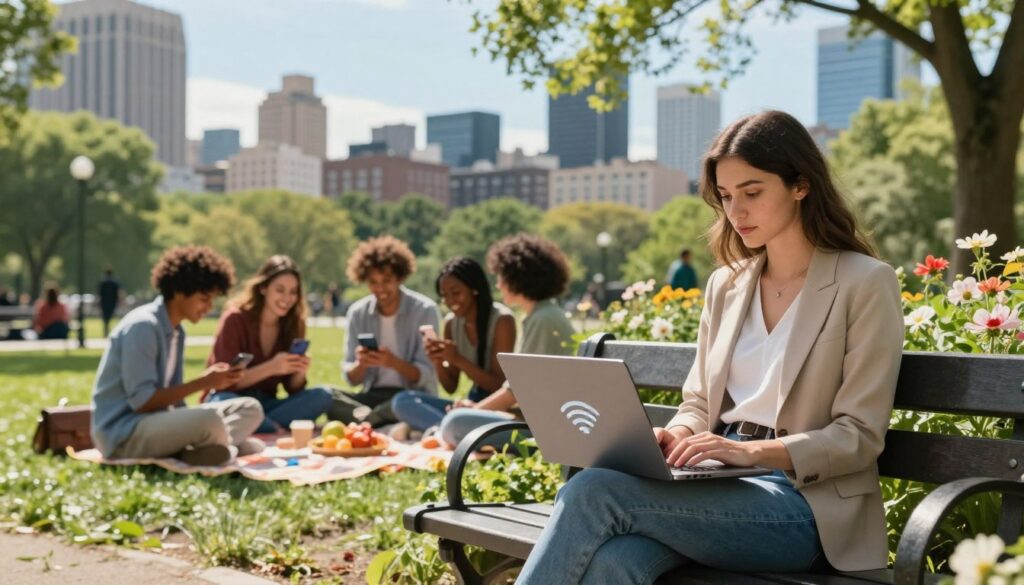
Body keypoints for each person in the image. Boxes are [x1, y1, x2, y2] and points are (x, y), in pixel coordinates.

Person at [515, 110, 904, 584]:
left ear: (801, 185)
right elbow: (698, 402)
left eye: (752, 193)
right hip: (715, 483)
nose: (736, 212)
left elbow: (859, 436)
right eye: (725, 196)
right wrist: (677, 434)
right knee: (616, 560)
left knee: (593, 491)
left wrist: (754, 454)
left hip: (805, 505)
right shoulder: (727, 284)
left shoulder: (864, 282)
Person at [91, 246, 264, 466]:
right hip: (123, 435)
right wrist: (204, 382)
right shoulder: (143, 327)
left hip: (154, 424)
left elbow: (174, 404)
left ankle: (206, 449)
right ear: (180, 291)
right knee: (209, 420)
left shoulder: (176, 331)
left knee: (250, 408)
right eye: (204, 298)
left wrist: (200, 400)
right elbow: (142, 402)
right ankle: (225, 448)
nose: (209, 307)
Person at [437, 234, 576, 448]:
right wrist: (478, 408)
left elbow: (517, 389)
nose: (498, 285)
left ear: (518, 278)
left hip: (547, 431)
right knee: (457, 419)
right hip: (538, 419)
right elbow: (527, 392)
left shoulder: (542, 319)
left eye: (501, 277)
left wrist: (475, 411)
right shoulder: (541, 315)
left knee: (454, 423)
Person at [203, 255, 333, 434]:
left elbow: (292, 389)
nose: (287, 298)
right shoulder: (235, 319)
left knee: (322, 396)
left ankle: (263, 425)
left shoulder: (295, 324)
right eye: (280, 290)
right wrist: (271, 368)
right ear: (264, 288)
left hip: (268, 405)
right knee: (222, 402)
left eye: (293, 292)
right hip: (232, 399)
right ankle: (269, 426)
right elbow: (224, 383)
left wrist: (299, 371)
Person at [390, 257, 517, 432]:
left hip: (499, 409)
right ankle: (449, 429)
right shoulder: (451, 323)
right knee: (402, 401)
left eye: (456, 292)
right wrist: (438, 359)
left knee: (457, 419)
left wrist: (457, 359)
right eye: (444, 296)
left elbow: (499, 385)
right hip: (471, 406)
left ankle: (447, 429)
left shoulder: (502, 320)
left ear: (474, 289)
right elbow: (450, 387)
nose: (450, 301)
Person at [330, 236, 439, 427]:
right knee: (326, 396)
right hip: (372, 396)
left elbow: (426, 375)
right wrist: (361, 364)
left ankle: (367, 420)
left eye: (386, 280)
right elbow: (351, 379)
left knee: (402, 404)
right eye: (373, 282)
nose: (380, 288)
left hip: (410, 396)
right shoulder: (357, 313)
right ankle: (380, 421)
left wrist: (393, 363)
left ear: (399, 277)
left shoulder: (424, 310)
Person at [98, 268, 121, 337]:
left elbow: (99, 294)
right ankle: (110, 331)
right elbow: (118, 293)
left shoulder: (103, 282)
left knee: (105, 318)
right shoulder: (114, 283)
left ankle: (106, 331)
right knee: (111, 317)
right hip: (112, 303)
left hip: (104, 303)